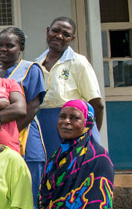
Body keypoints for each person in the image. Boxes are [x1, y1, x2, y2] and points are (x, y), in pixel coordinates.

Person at [35, 17, 104, 158]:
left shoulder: (79, 63)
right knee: (51, 171)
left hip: (73, 125)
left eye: (66, 34)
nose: (59, 36)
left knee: (75, 170)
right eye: (55, 31)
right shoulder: (36, 65)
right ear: (48, 31)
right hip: (45, 126)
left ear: (72, 38)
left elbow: (97, 104)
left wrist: (91, 133)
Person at [0, 27, 47, 207]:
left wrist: (12, 134)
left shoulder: (30, 69)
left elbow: (33, 106)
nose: (3, 49)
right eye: (0, 45)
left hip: (25, 136)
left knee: (29, 193)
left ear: (20, 48)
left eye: (9, 45)